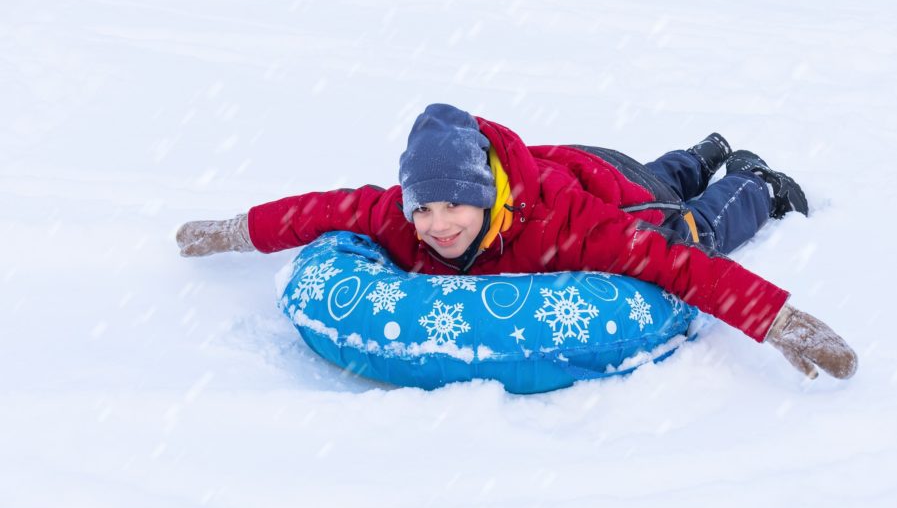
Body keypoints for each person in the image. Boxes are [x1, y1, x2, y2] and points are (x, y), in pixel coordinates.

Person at [177, 103, 857, 380]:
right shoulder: (400, 216)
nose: (438, 226)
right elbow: (315, 211)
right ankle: (701, 148)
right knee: (667, 174)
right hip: (571, 159)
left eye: (455, 207)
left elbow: (675, 265)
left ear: (486, 197)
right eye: (426, 209)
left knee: (687, 222)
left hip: (607, 185)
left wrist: (777, 319)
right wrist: (232, 231)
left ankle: (754, 180)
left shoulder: (563, 226)